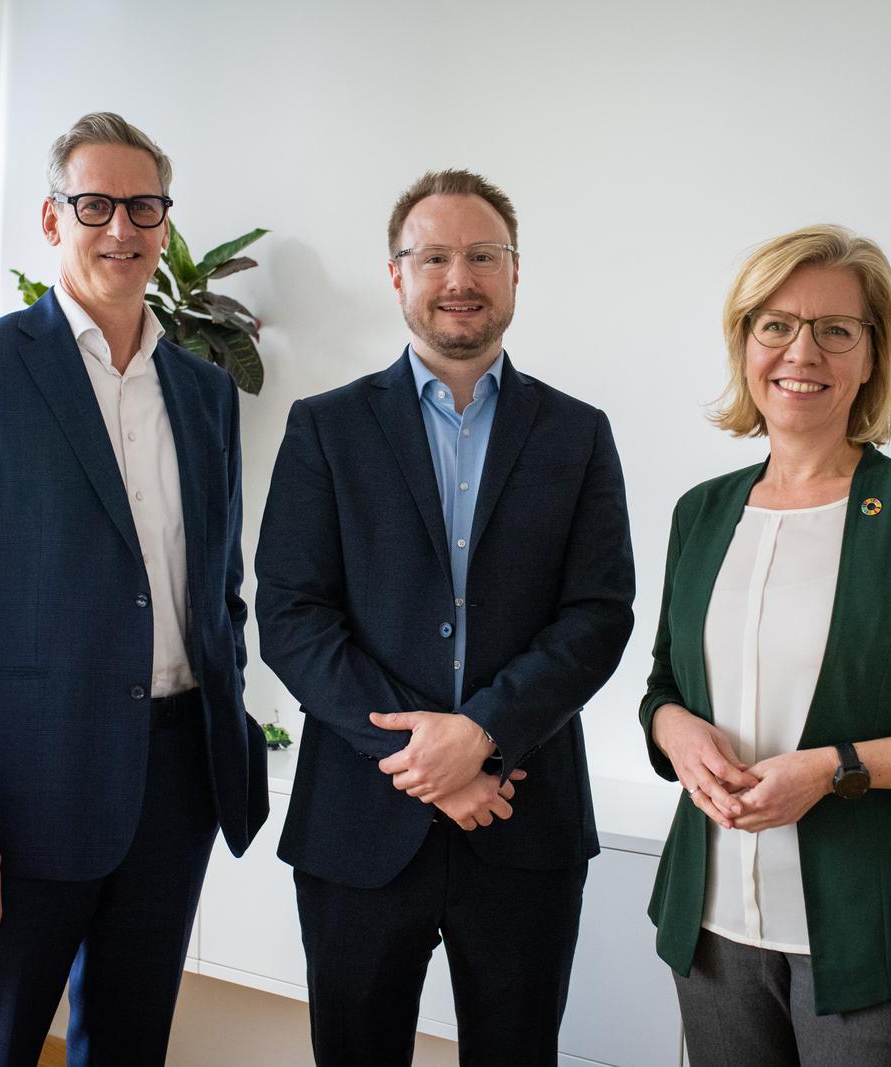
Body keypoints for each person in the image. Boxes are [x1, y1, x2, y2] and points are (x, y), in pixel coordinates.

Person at [0, 111, 268, 1066]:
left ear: (165, 227)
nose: (121, 229)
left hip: (175, 785)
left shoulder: (205, 390)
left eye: (144, 208)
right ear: (53, 220)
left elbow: (219, 585)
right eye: (94, 204)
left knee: (131, 1046)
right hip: (17, 803)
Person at [639, 224, 891, 1066]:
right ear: (745, 344)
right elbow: (662, 683)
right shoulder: (702, 512)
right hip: (712, 931)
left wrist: (835, 769)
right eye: (776, 324)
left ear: (872, 356)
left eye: (836, 328)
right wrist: (672, 727)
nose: (803, 350)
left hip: (878, 944)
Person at [255, 169, 635, 1065]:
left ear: (514, 272)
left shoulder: (577, 434)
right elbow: (292, 616)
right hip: (359, 824)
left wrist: (484, 735)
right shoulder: (325, 428)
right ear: (398, 275)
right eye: (433, 256)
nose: (458, 276)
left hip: (524, 823)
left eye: (481, 255)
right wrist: (429, 759)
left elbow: (597, 616)